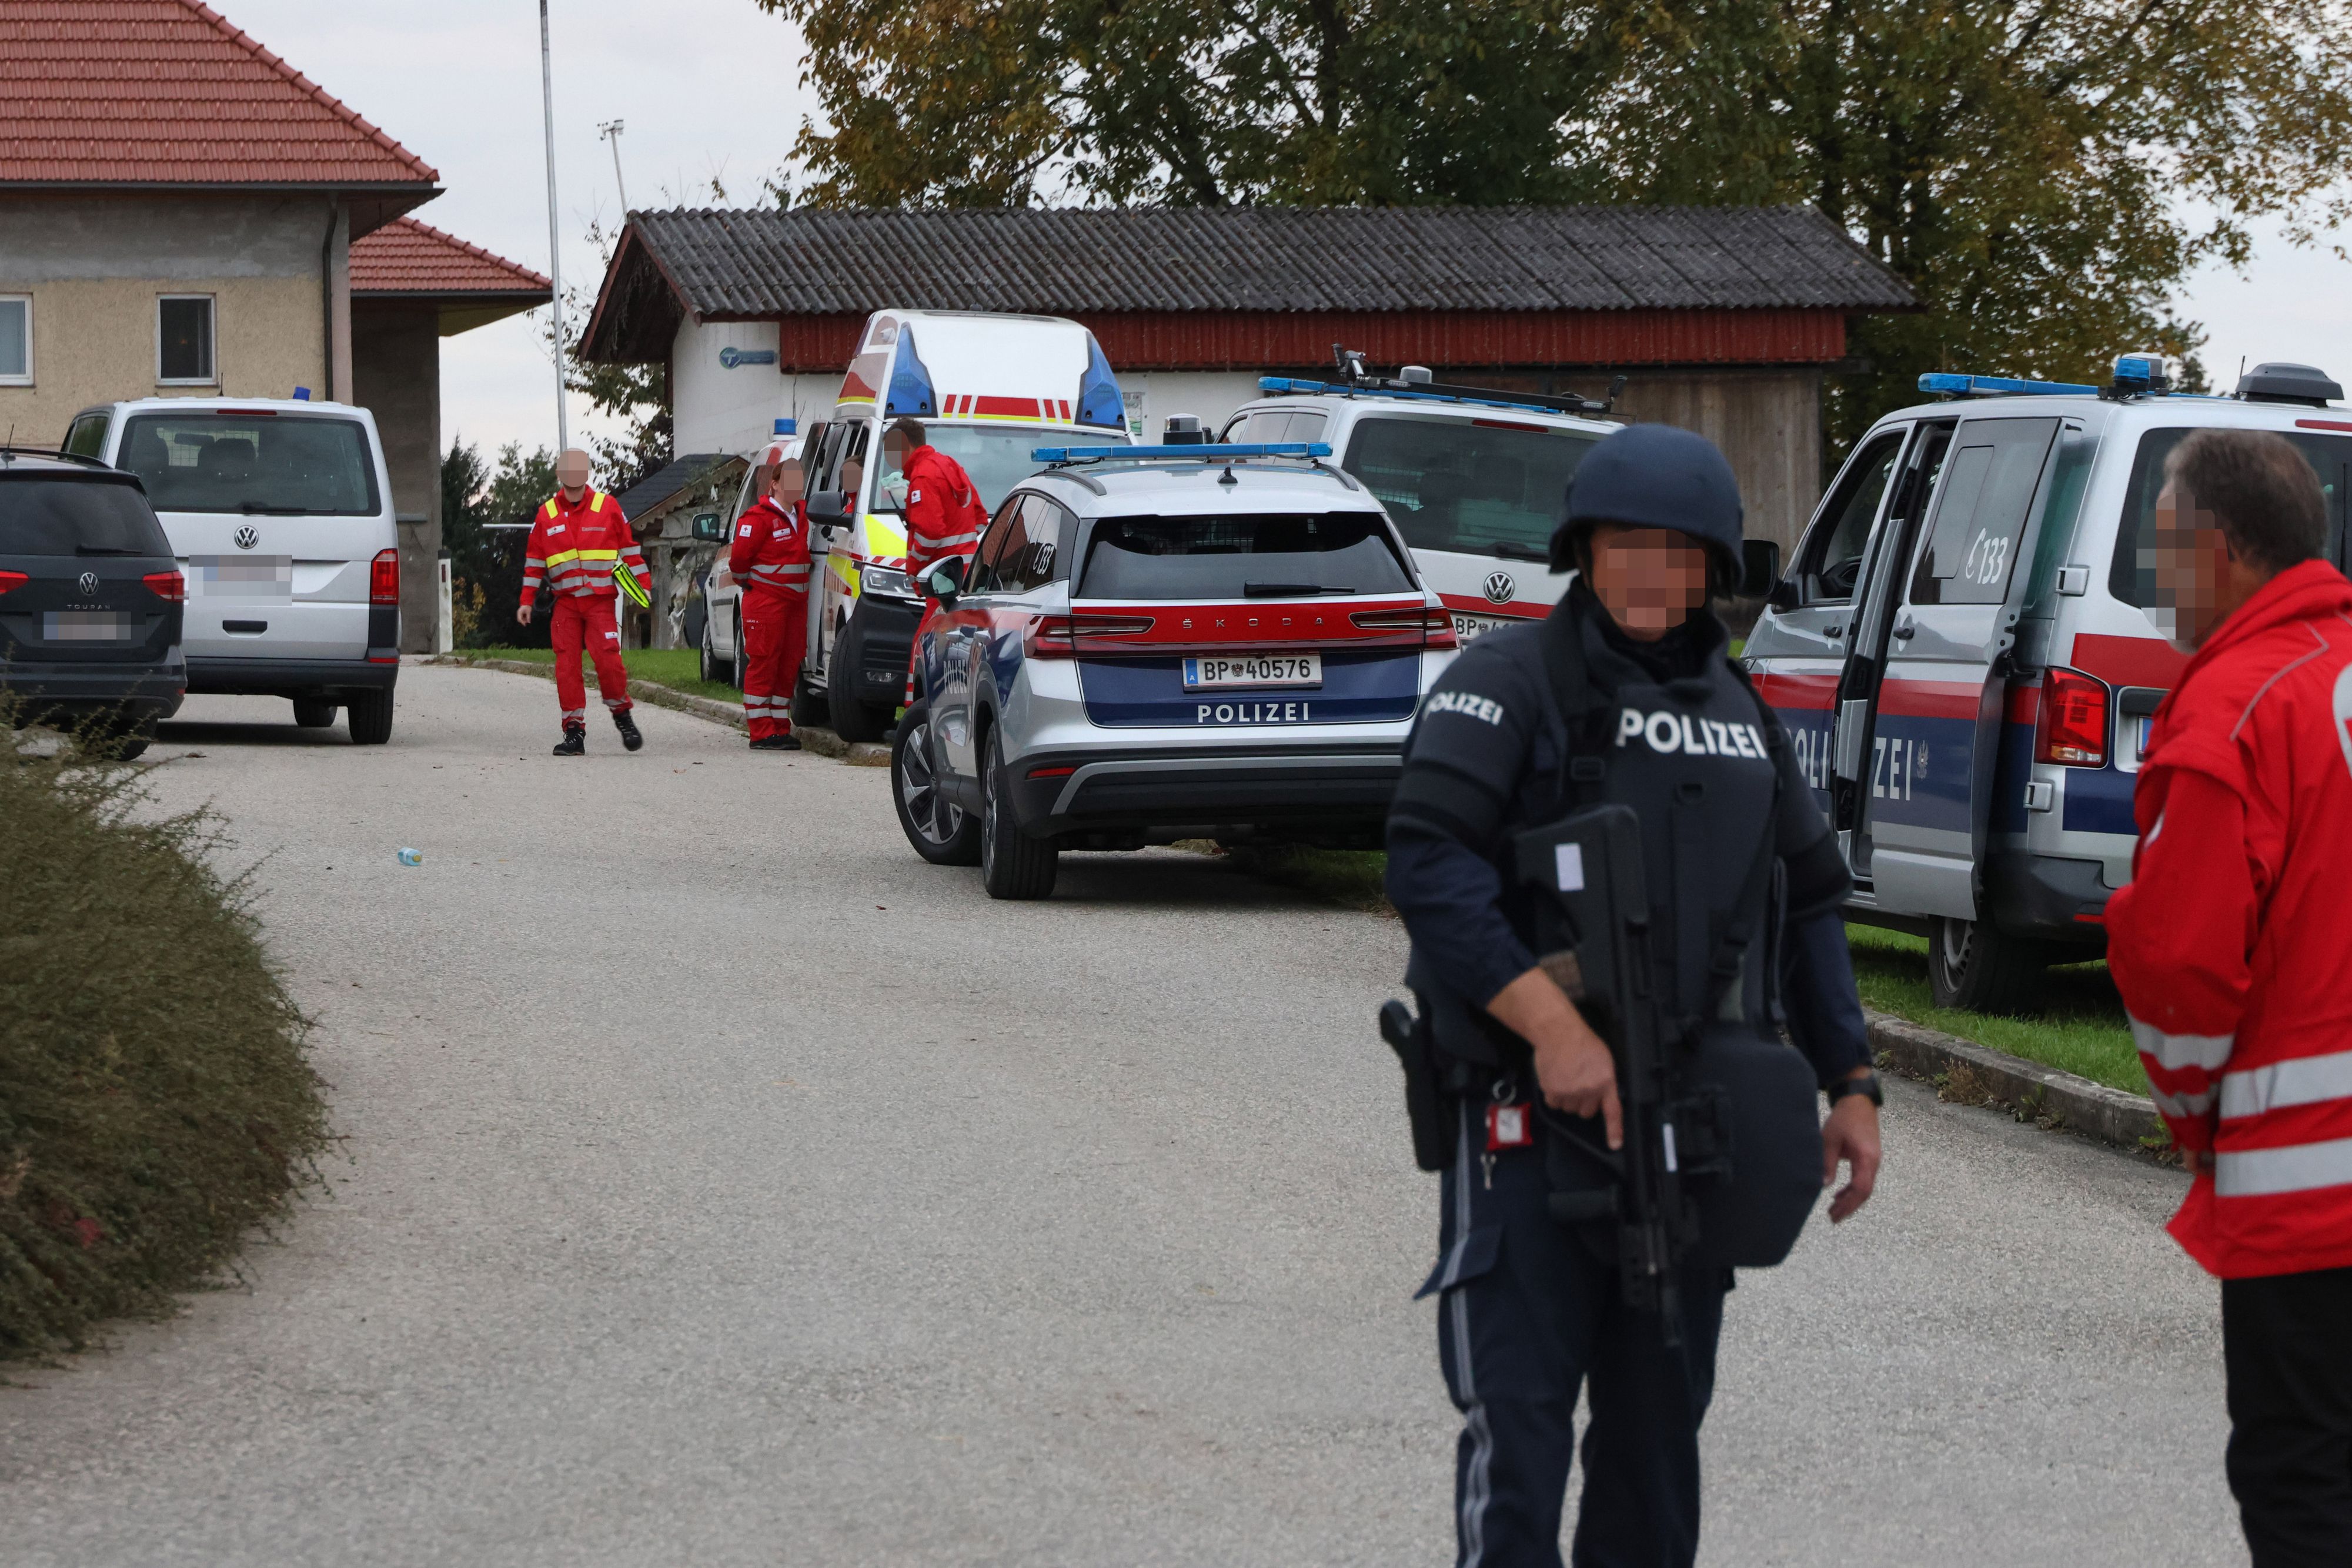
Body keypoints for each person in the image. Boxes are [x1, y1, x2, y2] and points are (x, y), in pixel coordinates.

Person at [1384, 423, 1882, 1568]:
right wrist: (1549, 1024)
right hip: (1525, 1117)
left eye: (1676, 549)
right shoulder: (1507, 680)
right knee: (1517, 1442)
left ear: (1713, 565)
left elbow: (1805, 905)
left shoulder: (1744, 714)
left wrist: (1850, 1080)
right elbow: (1426, 857)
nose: (1650, 573)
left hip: (1685, 1128)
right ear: (1581, 551)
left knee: (1656, 1454)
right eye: (1624, 546)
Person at [2103, 428, 2352, 1568]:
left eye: (2163, 551)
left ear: (2218, 550)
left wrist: (2202, 1120)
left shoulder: (2234, 713)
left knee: (2298, 1473)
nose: (2159, 590)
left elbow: (2177, 969)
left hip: (2308, 1190)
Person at [518, 447, 649, 757]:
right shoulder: (546, 514)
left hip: (600, 601)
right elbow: (535, 560)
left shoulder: (608, 506)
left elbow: (629, 550)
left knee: (608, 663)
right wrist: (526, 600)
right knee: (567, 668)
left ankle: (622, 716)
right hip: (566, 604)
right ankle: (574, 732)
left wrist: (643, 588)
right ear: (559, 474)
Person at [880, 418, 989, 711]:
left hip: (942, 578)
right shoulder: (949, 465)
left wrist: (915, 569)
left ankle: (916, 720)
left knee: (924, 646)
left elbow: (929, 533)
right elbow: (979, 518)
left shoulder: (923, 477)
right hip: (964, 575)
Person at [731, 447, 814, 751]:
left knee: (789, 661)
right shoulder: (758, 518)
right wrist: (750, 583)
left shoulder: (802, 515)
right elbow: (739, 561)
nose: (795, 485)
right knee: (765, 662)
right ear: (775, 484)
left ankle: (780, 726)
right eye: (789, 480)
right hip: (766, 602)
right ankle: (761, 731)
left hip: (795, 603)